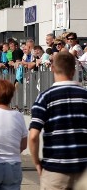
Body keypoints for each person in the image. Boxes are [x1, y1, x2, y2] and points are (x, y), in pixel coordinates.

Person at [28, 50, 87, 189]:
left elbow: (33, 136)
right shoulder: (85, 95)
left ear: (52, 68)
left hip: (55, 168)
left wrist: (37, 162)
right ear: (73, 70)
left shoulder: (44, 97)